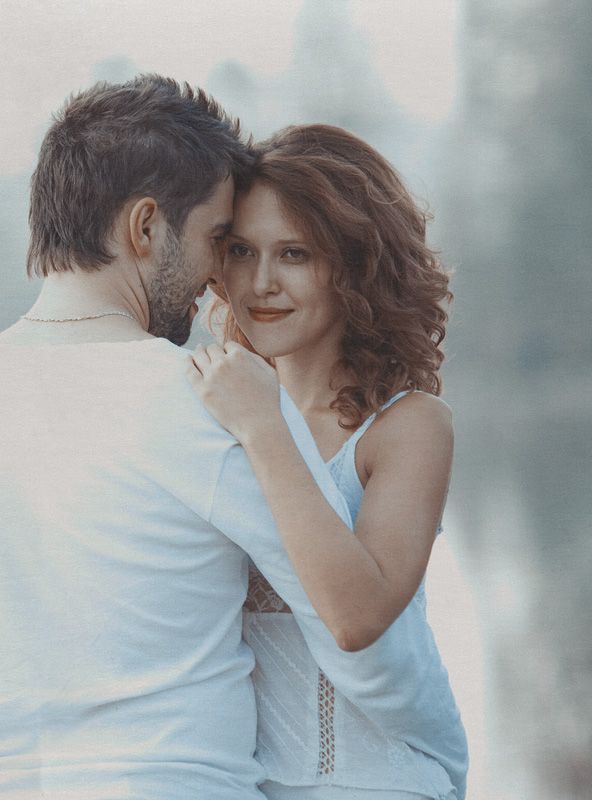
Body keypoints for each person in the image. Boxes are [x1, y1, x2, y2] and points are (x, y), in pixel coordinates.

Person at [0, 75, 363, 800]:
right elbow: (349, 623)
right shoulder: (217, 399)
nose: (219, 278)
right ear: (146, 227)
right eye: (217, 240)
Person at [188, 124, 468, 799]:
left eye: (294, 254)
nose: (261, 283)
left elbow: (357, 618)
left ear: (355, 264)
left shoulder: (407, 428)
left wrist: (264, 425)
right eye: (241, 251)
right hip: (235, 784)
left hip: (382, 782)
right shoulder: (205, 413)